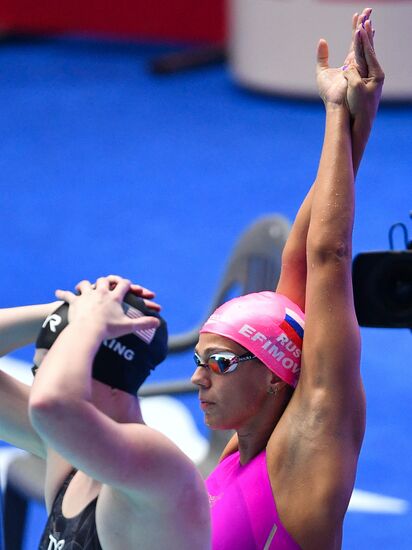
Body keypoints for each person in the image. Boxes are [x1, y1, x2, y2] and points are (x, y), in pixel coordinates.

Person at [191, 8, 384, 550]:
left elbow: (328, 255)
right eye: (201, 359)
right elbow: (298, 260)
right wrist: (355, 122)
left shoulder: (306, 450)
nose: (199, 379)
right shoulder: (245, 440)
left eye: (220, 363)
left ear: (277, 376)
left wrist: (331, 110)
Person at [0, 276, 210, 549]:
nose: (39, 384)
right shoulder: (68, 452)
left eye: (48, 372)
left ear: (107, 381)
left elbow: (50, 406)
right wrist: (68, 308)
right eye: (36, 372)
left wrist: (87, 322)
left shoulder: (159, 468)